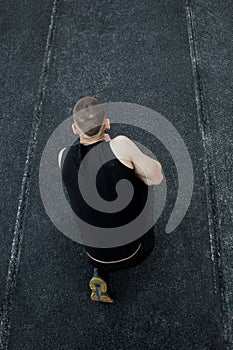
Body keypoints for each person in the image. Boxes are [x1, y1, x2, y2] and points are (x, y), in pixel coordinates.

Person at [58, 96, 163, 303]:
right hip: (137, 251)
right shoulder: (121, 145)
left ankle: (99, 272)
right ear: (107, 124)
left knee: (90, 192)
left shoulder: (63, 157)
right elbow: (156, 177)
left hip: (94, 254)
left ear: (74, 129)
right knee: (139, 176)